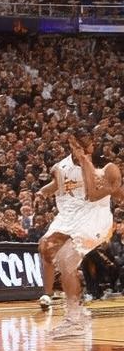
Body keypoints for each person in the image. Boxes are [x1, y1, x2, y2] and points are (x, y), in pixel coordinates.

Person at [40, 133, 120, 337]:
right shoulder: (65, 166)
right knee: (47, 247)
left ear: (91, 146)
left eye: (80, 146)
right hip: (76, 218)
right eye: (73, 145)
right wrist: (43, 192)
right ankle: (73, 307)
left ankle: (75, 319)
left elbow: (94, 195)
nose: (76, 150)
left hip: (97, 219)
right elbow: (59, 185)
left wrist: (87, 165)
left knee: (67, 260)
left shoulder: (108, 168)